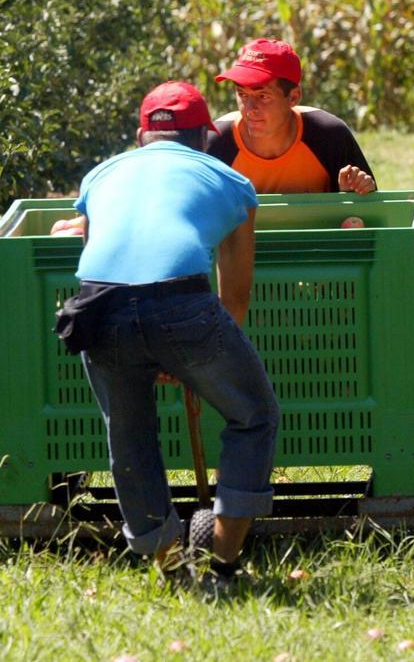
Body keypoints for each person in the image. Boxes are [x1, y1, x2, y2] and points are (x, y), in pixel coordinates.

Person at [58, 81, 279, 592]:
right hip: (183, 306)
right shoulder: (231, 181)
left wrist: (152, 344)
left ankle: (174, 574)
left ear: (141, 136)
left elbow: (101, 267)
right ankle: (222, 567)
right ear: (204, 136)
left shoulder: (100, 175)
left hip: (98, 310)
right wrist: (188, 357)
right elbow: (236, 297)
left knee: (129, 440)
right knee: (254, 415)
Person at [207, 38, 377, 195]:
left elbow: (370, 215)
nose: (250, 109)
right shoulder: (216, 143)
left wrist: (354, 192)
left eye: (263, 96)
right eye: (242, 94)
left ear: (294, 97)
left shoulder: (329, 135)